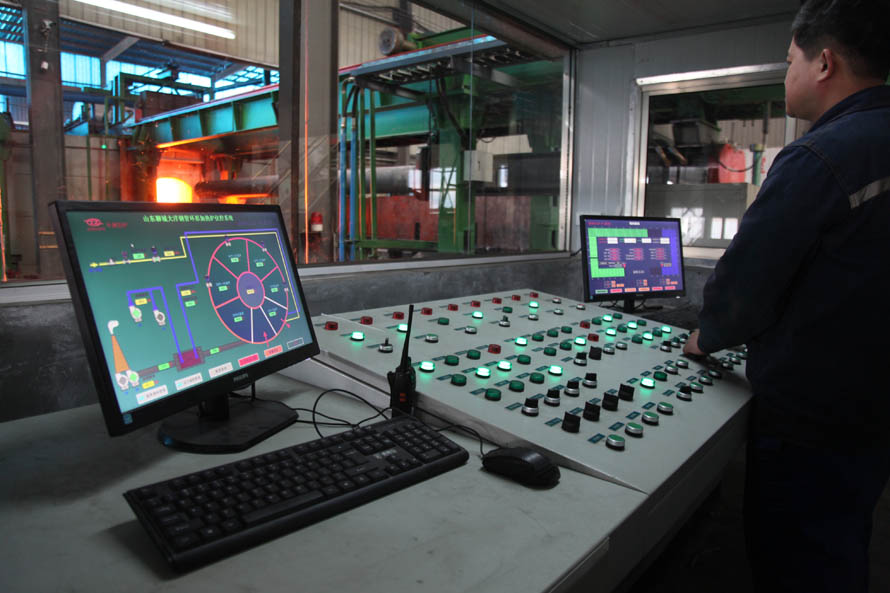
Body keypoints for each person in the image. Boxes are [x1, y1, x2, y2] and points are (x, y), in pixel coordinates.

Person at [682, 1, 890, 591]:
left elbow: (746, 285)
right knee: (843, 540)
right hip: (872, 408)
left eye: (790, 59)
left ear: (824, 62)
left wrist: (706, 337)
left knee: (798, 559)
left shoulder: (821, 155)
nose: (786, 74)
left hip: (812, 418)